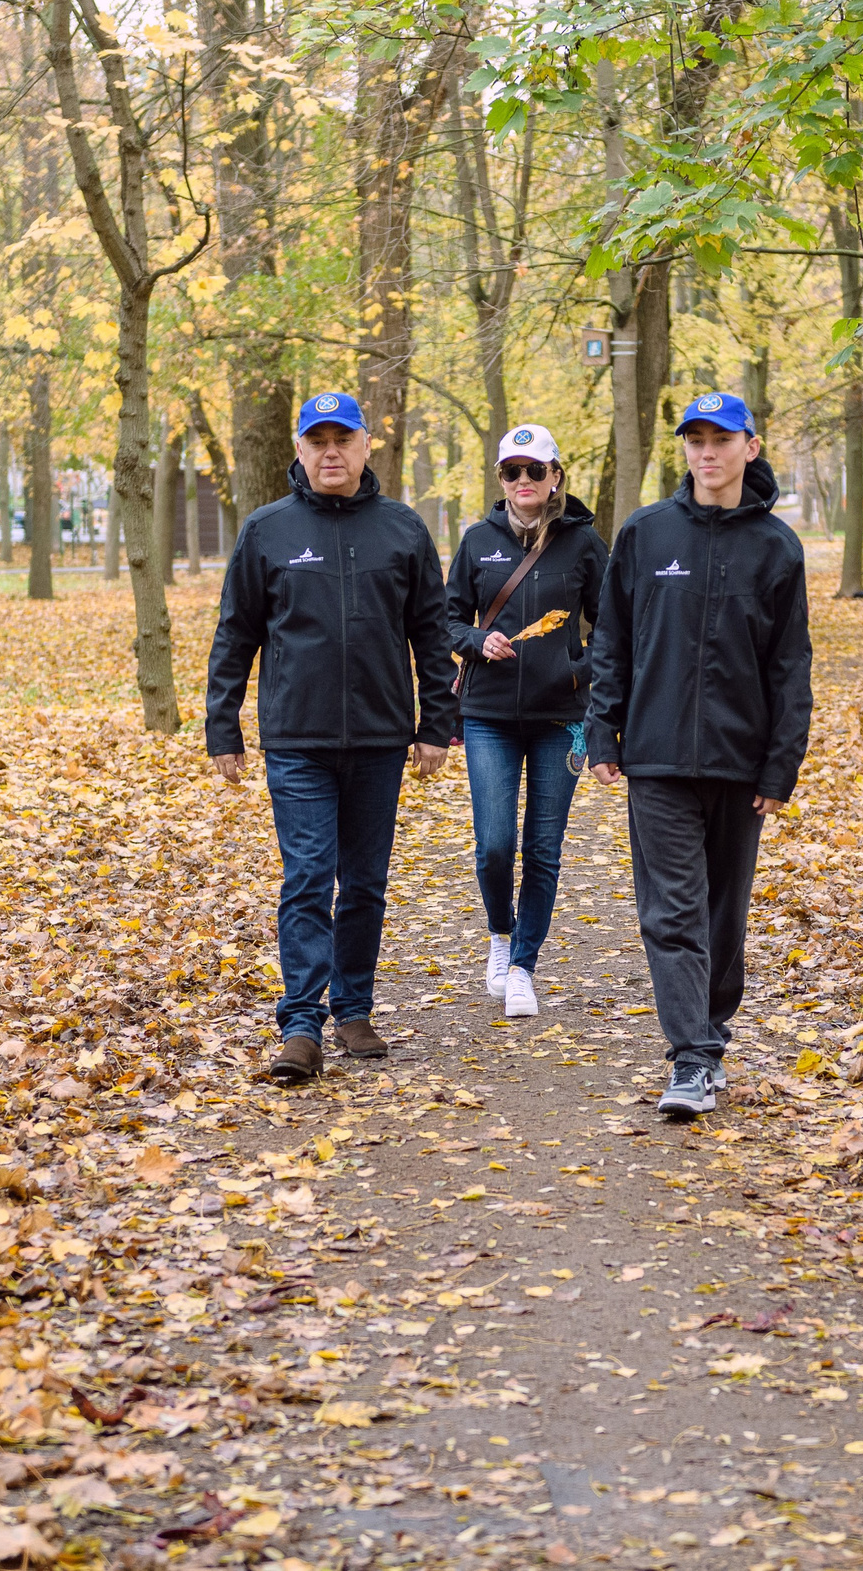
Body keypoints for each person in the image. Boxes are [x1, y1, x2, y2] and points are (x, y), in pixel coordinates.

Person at [207, 390, 457, 1084]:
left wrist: (436, 723)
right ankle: (300, 1025)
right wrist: (223, 724)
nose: (331, 453)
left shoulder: (403, 529)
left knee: (365, 883)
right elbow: (236, 632)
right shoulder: (267, 531)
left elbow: (431, 634)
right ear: (299, 449)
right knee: (310, 878)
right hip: (298, 739)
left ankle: (353, 1009)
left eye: (343, 439)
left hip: (380, 738)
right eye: (317, 441)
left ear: (366, 444)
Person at [586, 390, 812, 1118]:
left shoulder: (777, 548)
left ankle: (711, 1034)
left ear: (751, 446)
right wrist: (602, 730)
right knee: (672, 911)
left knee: (723, 917)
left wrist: (781, 764)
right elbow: (611, 641)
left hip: (741, 765)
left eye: (721, 439)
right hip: (655, 759)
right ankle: (691, 1056)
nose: (707, 452)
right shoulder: (646, 534)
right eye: (696, 440)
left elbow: (790, 667)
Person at [446, 425, 609, 1018]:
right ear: (501, 479)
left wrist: (576, 671)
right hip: (488, 714)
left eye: (535, 470)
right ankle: (500, 934)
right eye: (511, 471)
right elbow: (445, 619)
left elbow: (615, 627)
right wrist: (475, 640)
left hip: (559, 717)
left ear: (555, 477)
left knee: (543, 848)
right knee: (494, 845)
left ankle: (522, 967)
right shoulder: (477, 541)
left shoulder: (584, 544)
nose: (523, 481)